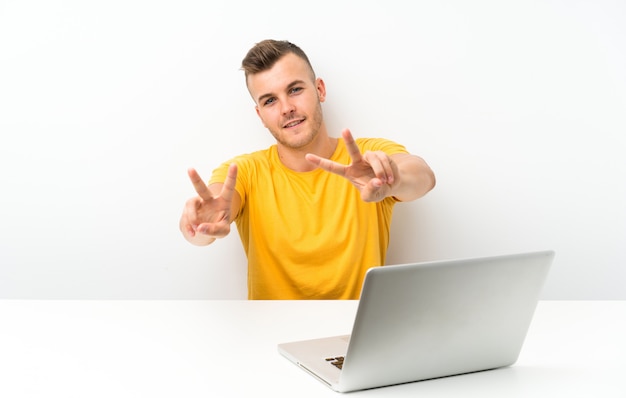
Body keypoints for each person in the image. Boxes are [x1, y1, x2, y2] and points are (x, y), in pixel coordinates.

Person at [180, 39, 435, 300]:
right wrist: (201, 224)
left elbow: (423, 177)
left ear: (320, 90)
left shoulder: (368, 160)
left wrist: (394, 179)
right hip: (270, 333)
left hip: (354, 332)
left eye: (294, 90)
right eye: (270, 101)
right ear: (260, 115)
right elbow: (210, 215)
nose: (286, 108)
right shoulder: (245, 172)